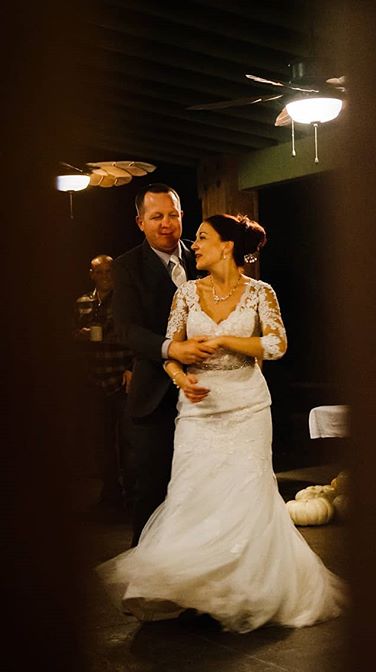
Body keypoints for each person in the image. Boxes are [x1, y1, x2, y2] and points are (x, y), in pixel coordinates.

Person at [98, 214, 346, 632]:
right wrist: (181, 379)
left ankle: (249, 587)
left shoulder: (259, 293)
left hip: (247, 405)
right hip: (198, 409)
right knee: (195, 494)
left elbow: (276, 344)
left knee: (246, 495)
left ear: (227, 246)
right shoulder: (187, 295)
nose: (195, 244)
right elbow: (172, 350)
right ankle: (197, 589)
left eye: (204, 238)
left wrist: (228, 340)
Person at [112, 183, 218, 546]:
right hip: (152, 397)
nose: (166, 224)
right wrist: (172, 349)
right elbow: (126, 330)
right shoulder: (126, 267)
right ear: (141, 222)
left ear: (183, 216)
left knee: (202, 490)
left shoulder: (204, 259)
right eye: (157, 216)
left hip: (208, 394)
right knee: (151, 489)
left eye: (173, 214)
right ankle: (145, 581)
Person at [73, 254, 135, 513]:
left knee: (128, 439)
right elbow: (70, 334)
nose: (106, 277)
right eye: (101, 272)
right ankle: (110, 493)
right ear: (92, 274)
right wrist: (80, 335)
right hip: (94, 377)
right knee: (101, 440)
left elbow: (137, 335)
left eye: (110, 272)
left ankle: (132, 494)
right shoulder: (83, 303)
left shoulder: (126, 301)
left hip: (121, 377)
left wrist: (132, 368)